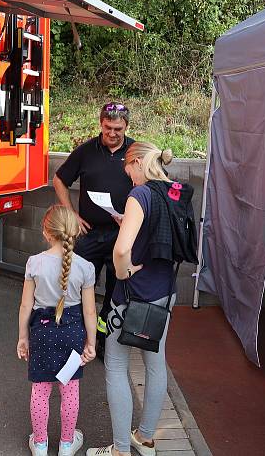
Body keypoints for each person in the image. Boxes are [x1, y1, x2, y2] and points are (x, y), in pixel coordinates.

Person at [87, 142, 192, 456]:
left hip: (133, 296)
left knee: (117, 366)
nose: (126, 174)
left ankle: (119, 450)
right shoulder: (173, 191)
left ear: (135, 162)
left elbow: (121, 251)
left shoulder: (140, 194)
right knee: (155, 364)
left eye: (126, 167)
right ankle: (146, 439)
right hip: (164, 294)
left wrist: (122, 273)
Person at [52, 102, 134, 354]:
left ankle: (103, 338)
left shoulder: (135, 152)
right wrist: (72, 214)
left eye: (118, 128)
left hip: (121, 236)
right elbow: (59, 179)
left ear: (126, 127)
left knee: (115, 290)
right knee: (75, 285)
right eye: (108, 127)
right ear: (100, 124)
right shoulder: (86, 151)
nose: (112, 133)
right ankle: (73, 335)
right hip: (89, 235)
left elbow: (152, 184)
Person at [17, 205, 98, 456]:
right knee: (70, 389)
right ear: (74, 232)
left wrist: (22, 337)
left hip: (42, 333)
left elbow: (25, 305)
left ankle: (40, 444)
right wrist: (91, 343)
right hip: (72, 334)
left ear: (46, 232)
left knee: (40, 390)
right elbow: (89, 312)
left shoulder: (34, 263)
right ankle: (66, 444)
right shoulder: (85, 267)